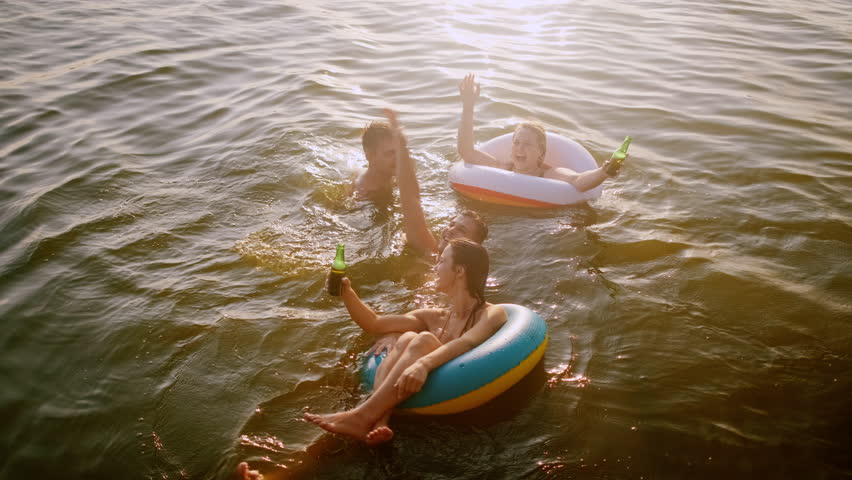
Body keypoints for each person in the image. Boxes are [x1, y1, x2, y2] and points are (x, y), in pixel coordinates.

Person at [305, 239, 507, 445]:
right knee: (408, 336)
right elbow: (375, 324)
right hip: (416, 400)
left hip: (462, 403)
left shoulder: (492, 313)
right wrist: (346, 292)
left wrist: (422, 364)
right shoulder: (435, 316)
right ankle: (380, 420)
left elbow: (467, 343)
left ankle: (362, 416)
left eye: (442, 261)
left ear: (460, 271)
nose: (436, 267)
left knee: (423, 339)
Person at [457, 73, 625, 191]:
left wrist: (604, 172)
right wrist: (468, 106)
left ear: (541, 153)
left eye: (528, 144)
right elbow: (467, 152)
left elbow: (578, 180)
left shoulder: (549, 174)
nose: (519, 149)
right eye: (516, 143)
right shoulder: (503, 167)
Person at [349, 120, 398, 200]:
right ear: (370, 156)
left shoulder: (393, 176)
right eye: (389, 153)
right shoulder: (364, 194)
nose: (399, 157)